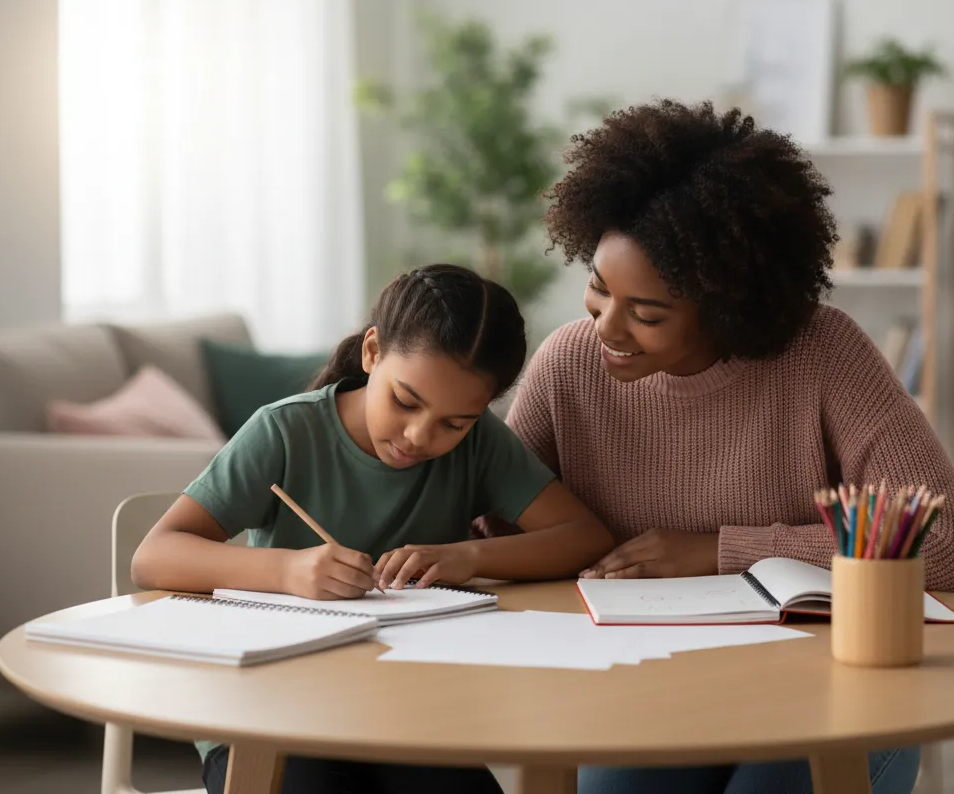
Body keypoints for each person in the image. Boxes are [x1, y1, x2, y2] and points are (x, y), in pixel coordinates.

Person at [492, 100, 954, 794]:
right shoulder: (567, 365)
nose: (609, 326)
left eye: (650, 313)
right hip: (643, 689)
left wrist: (719, 550)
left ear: (726, 305)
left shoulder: (824, 353)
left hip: (827, 689)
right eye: (599, 291)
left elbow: (950, 547)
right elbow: (493, 520)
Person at [132, 263, 616, 794]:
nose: (419, 436)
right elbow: (155, 555)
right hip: (271, 713)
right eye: (406, 401)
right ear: (371, 352)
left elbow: (585, 538)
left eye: (455, 423)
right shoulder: (286, 431)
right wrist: (288, 570)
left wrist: (469, 558)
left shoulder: (480, 446)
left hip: (409, 712)